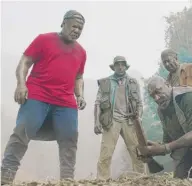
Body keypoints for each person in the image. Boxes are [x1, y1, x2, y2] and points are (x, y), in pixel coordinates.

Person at [1, 10, 87, 184]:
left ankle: (67, 180)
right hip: (37, 95)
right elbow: (25, 62)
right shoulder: (44, 39)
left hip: (65, 101)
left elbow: (78, 76)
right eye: (74, 26)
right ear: (63, 23)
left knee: (70, 138)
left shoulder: (81, 52)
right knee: (22, 133)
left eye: (80, 28)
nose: (76, 30)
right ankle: (5, 177)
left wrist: (80, 95)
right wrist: (21, 84)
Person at [94, 56, 147, 179]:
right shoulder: (105, 82)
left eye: (122, 64)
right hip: (111, 120)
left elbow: (139, 103)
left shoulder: (133, 82)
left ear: (125, 66)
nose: (120, 67)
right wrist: (96, 122)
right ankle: (102, 180)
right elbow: (97, 103)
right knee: (106, 153)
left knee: (137, 152)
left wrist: (139, 119)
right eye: (117, 64)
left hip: (129, 121)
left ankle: (141, 179)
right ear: (114, 67)